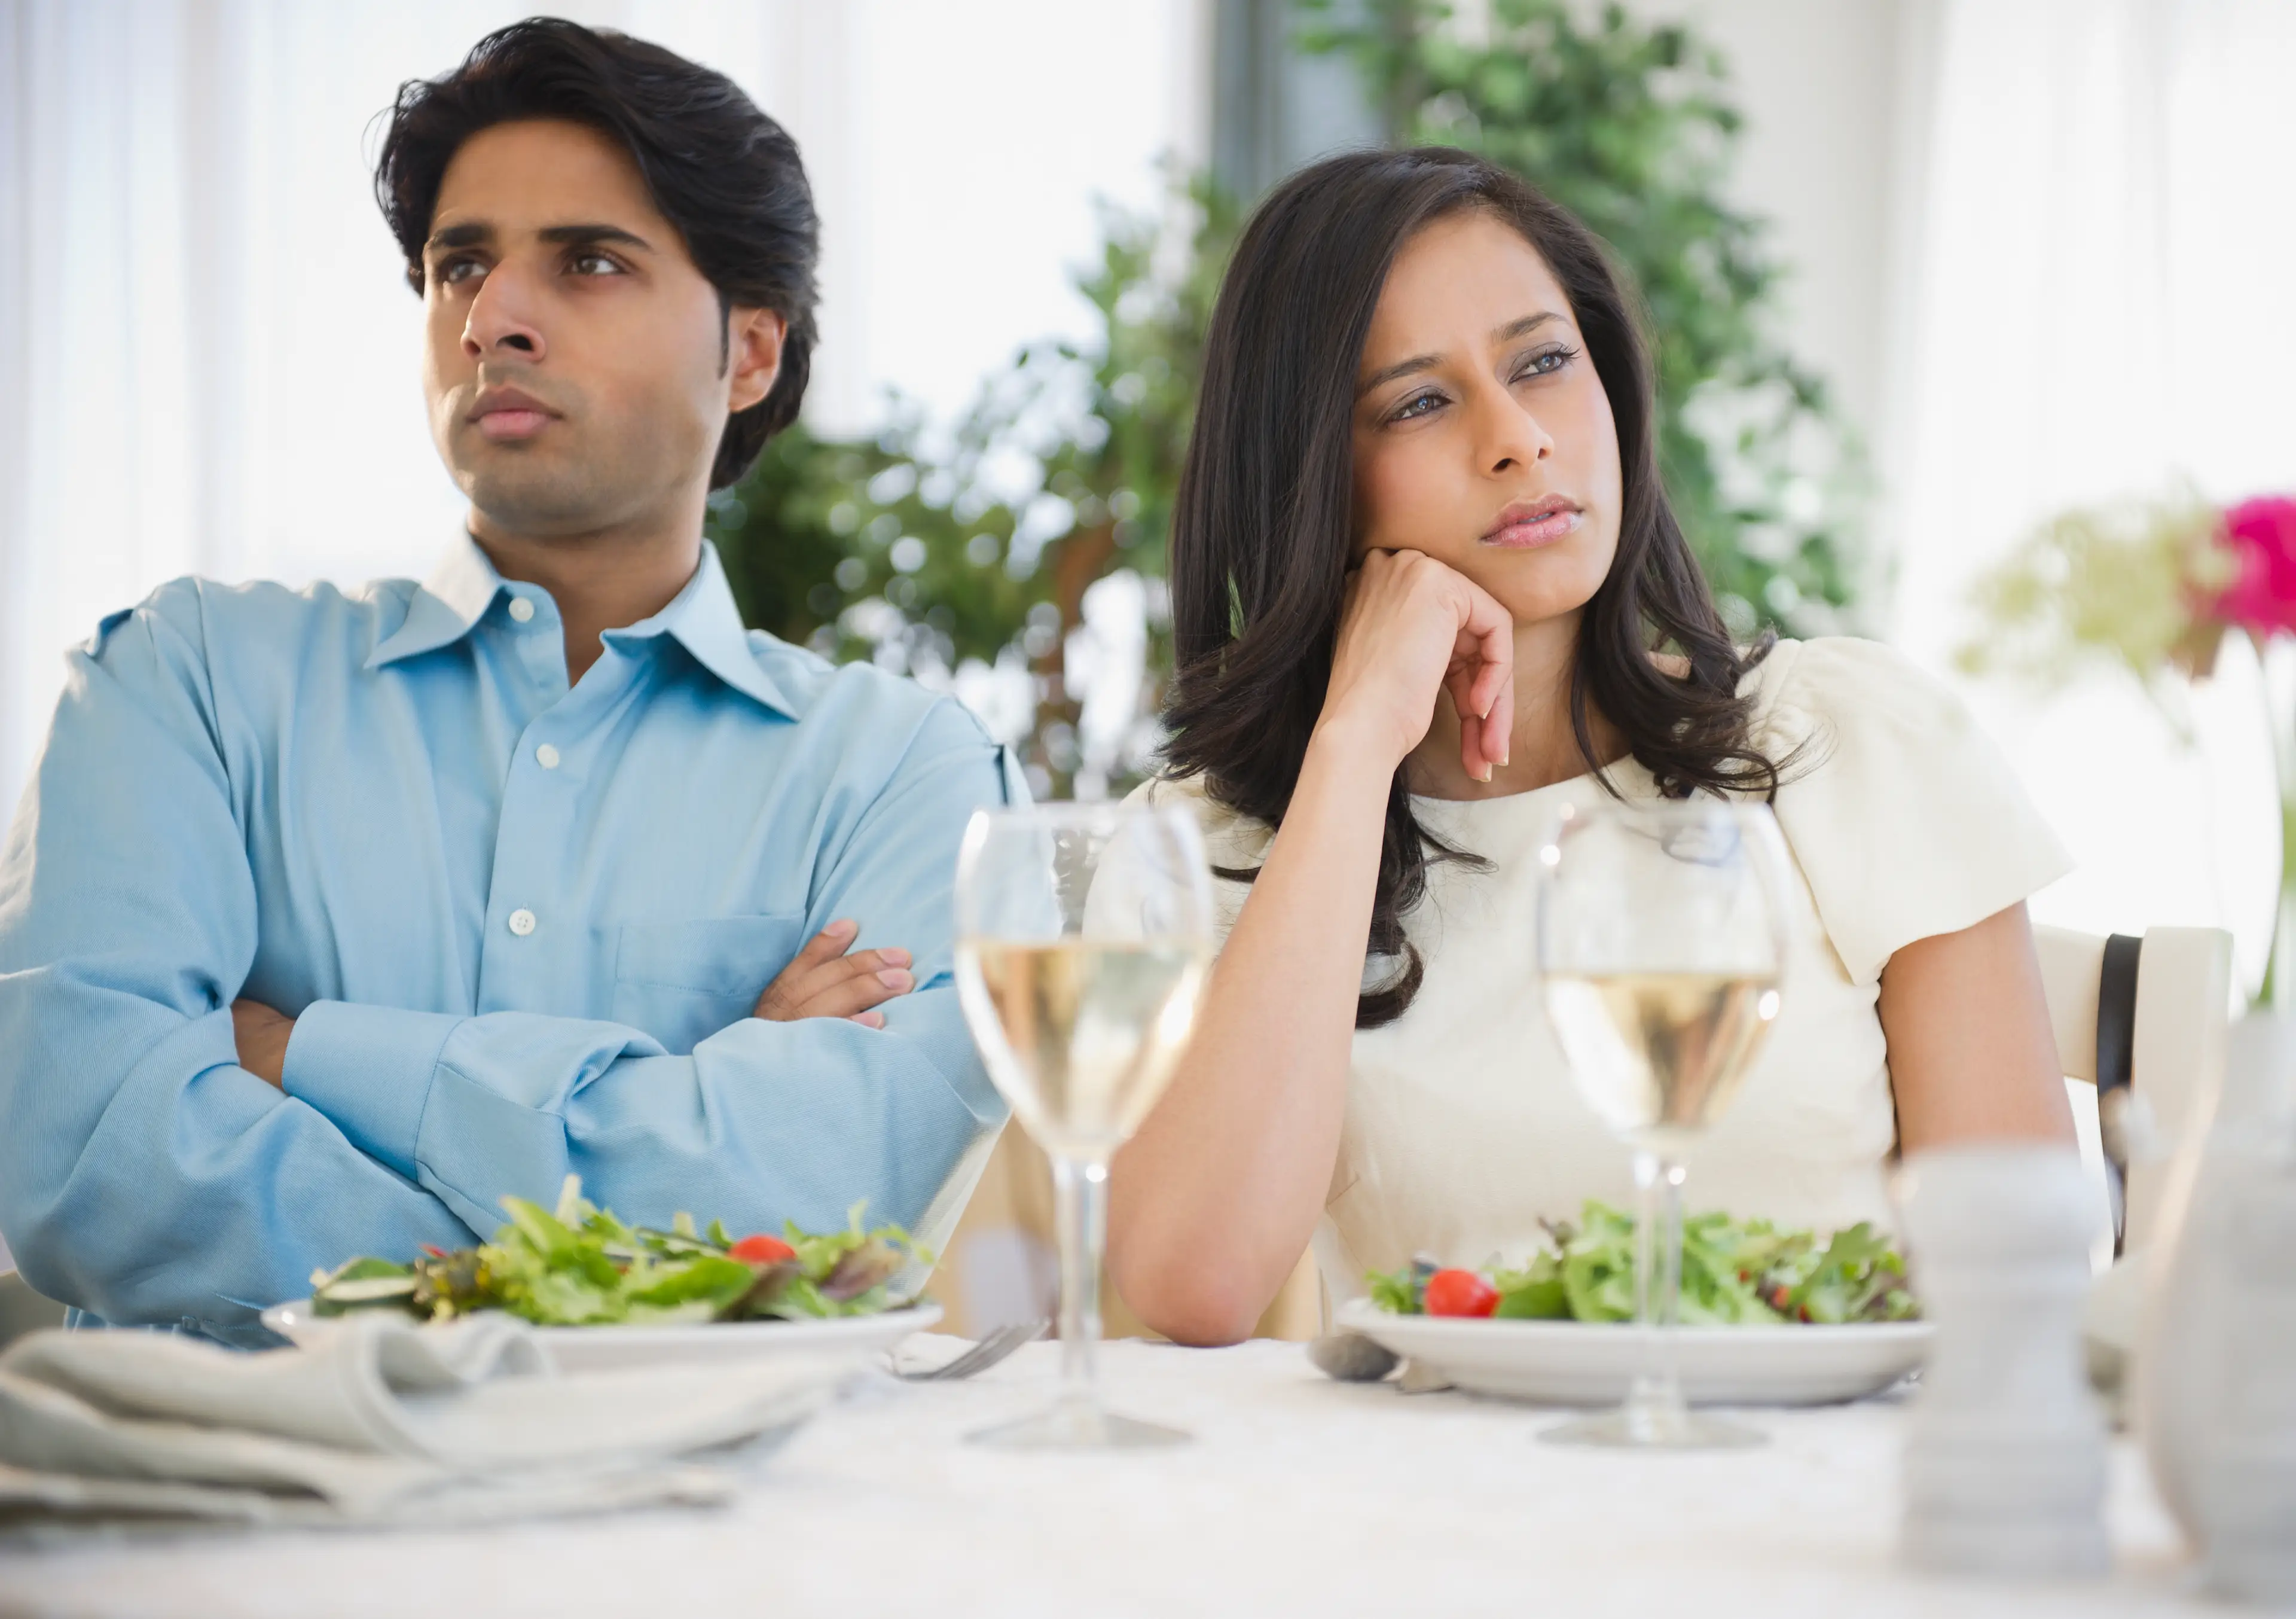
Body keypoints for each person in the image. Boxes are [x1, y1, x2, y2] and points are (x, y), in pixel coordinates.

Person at [0, 20, 1018, 1346]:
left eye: (589, 261)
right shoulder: (185, 680)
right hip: (241, 1480)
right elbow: (89, 1161)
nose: (491, 321)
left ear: (751, 352)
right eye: (459, 265)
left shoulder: (903, 773)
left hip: (716, 1487)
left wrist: (299, 1052)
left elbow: (830, 1201)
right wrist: (661, 1208)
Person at [1105, 148, 2077, 1346]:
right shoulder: (1205, 844)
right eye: (1419, 402)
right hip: (1441, 1465)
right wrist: (1353, 749)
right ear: (1310, 477)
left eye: (1543, 363)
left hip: (1829, 1453)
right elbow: (1194, 1283)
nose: (1519, 439)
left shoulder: (1841, 737)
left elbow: (2022, 1276)